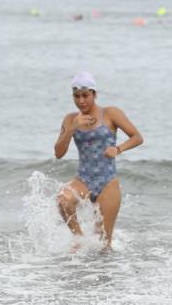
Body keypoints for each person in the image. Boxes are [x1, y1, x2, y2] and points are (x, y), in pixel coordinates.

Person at [54, 72, 143, 252]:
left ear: (94, 94)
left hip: (108, 182)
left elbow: (137, 137)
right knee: (63, 200)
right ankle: (79, 239)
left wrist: (118, 149)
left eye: (86, 96)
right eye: (76, 96)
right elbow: (58, 153)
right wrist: (72, 128)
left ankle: (104, 276)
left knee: (103, 244)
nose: (81, 101)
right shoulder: (70, 119)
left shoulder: (110, 113)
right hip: (83, 179)